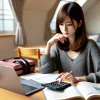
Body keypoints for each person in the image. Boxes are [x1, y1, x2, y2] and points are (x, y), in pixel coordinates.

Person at [39, 2, 100, 83]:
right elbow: (44, 71)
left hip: (87, 93)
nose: (64, 29)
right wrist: (49, 44)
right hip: (67, 92)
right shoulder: (58, 47)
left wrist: (78, 79)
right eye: (61, 24)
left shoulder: (90, 45)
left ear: (79, 23)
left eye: (69, 24)